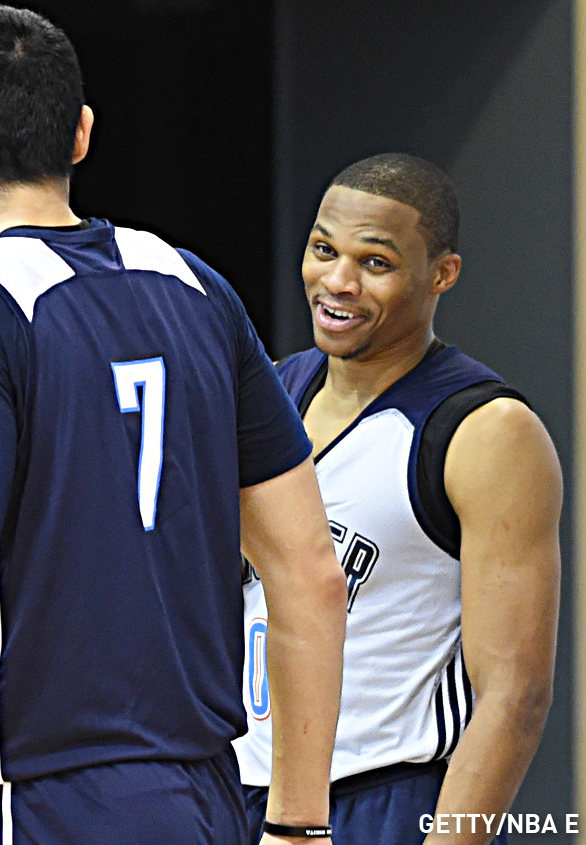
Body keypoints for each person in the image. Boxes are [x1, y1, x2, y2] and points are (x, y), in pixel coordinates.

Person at [0, 6, 347, 844]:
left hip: (48, 802)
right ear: (80, 133)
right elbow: (311, 575)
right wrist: (300, 825)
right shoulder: (196, 285)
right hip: (209, 799)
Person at [234, 153, 561, 845]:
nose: (338, 282)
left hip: (387, 798)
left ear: (442, 274)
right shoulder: (267, 391)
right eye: (324, 249)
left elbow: (515, 696)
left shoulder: (486, 431)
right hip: (247, 796)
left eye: (375, 263)